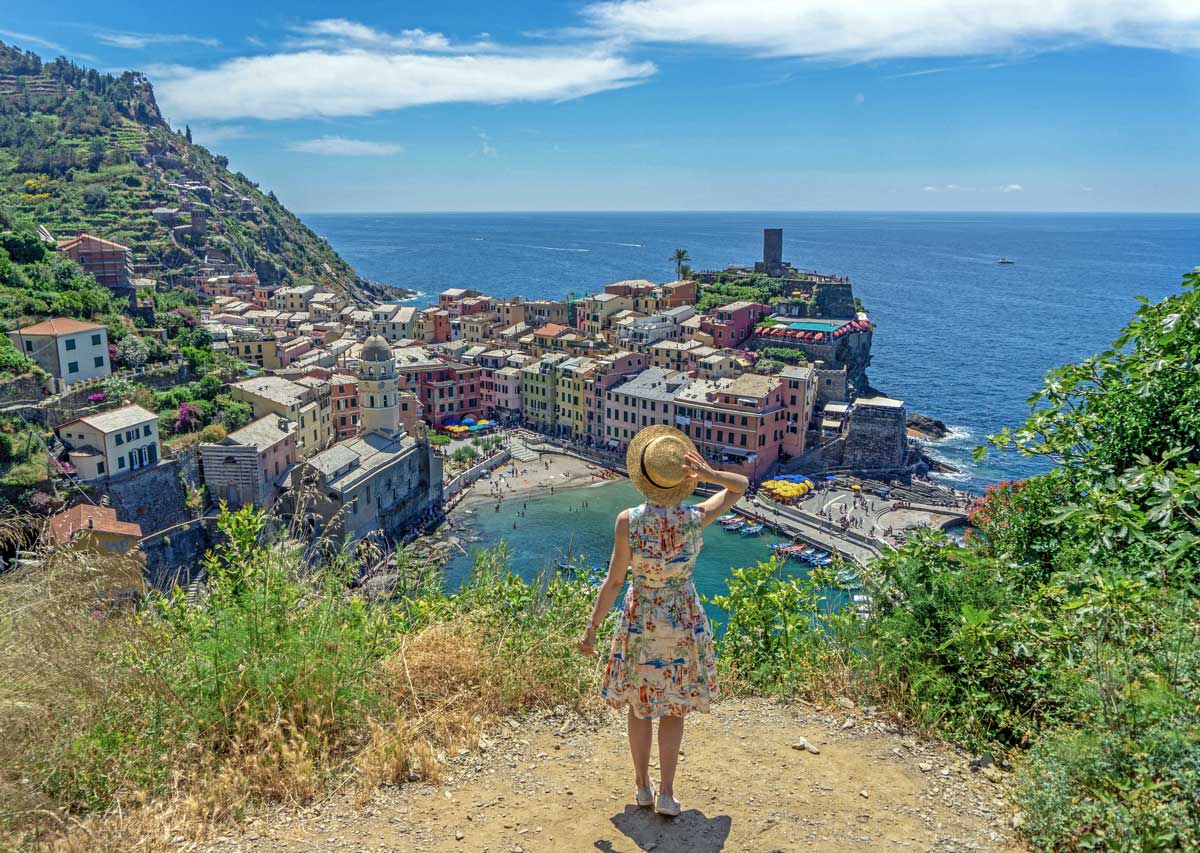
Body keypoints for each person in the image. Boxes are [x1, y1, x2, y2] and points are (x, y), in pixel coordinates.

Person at [578, 425, 748, 817]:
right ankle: (668, 795)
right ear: (679, 481)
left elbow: (616, 580)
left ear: (643, 476)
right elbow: (739, 486)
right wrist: (707, 475)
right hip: (684, 618)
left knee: (640, 708)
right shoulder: (695, 517)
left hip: (642, 620)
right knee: (673, 709)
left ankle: (642, 789)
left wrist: (592, 628)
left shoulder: (628, 522)